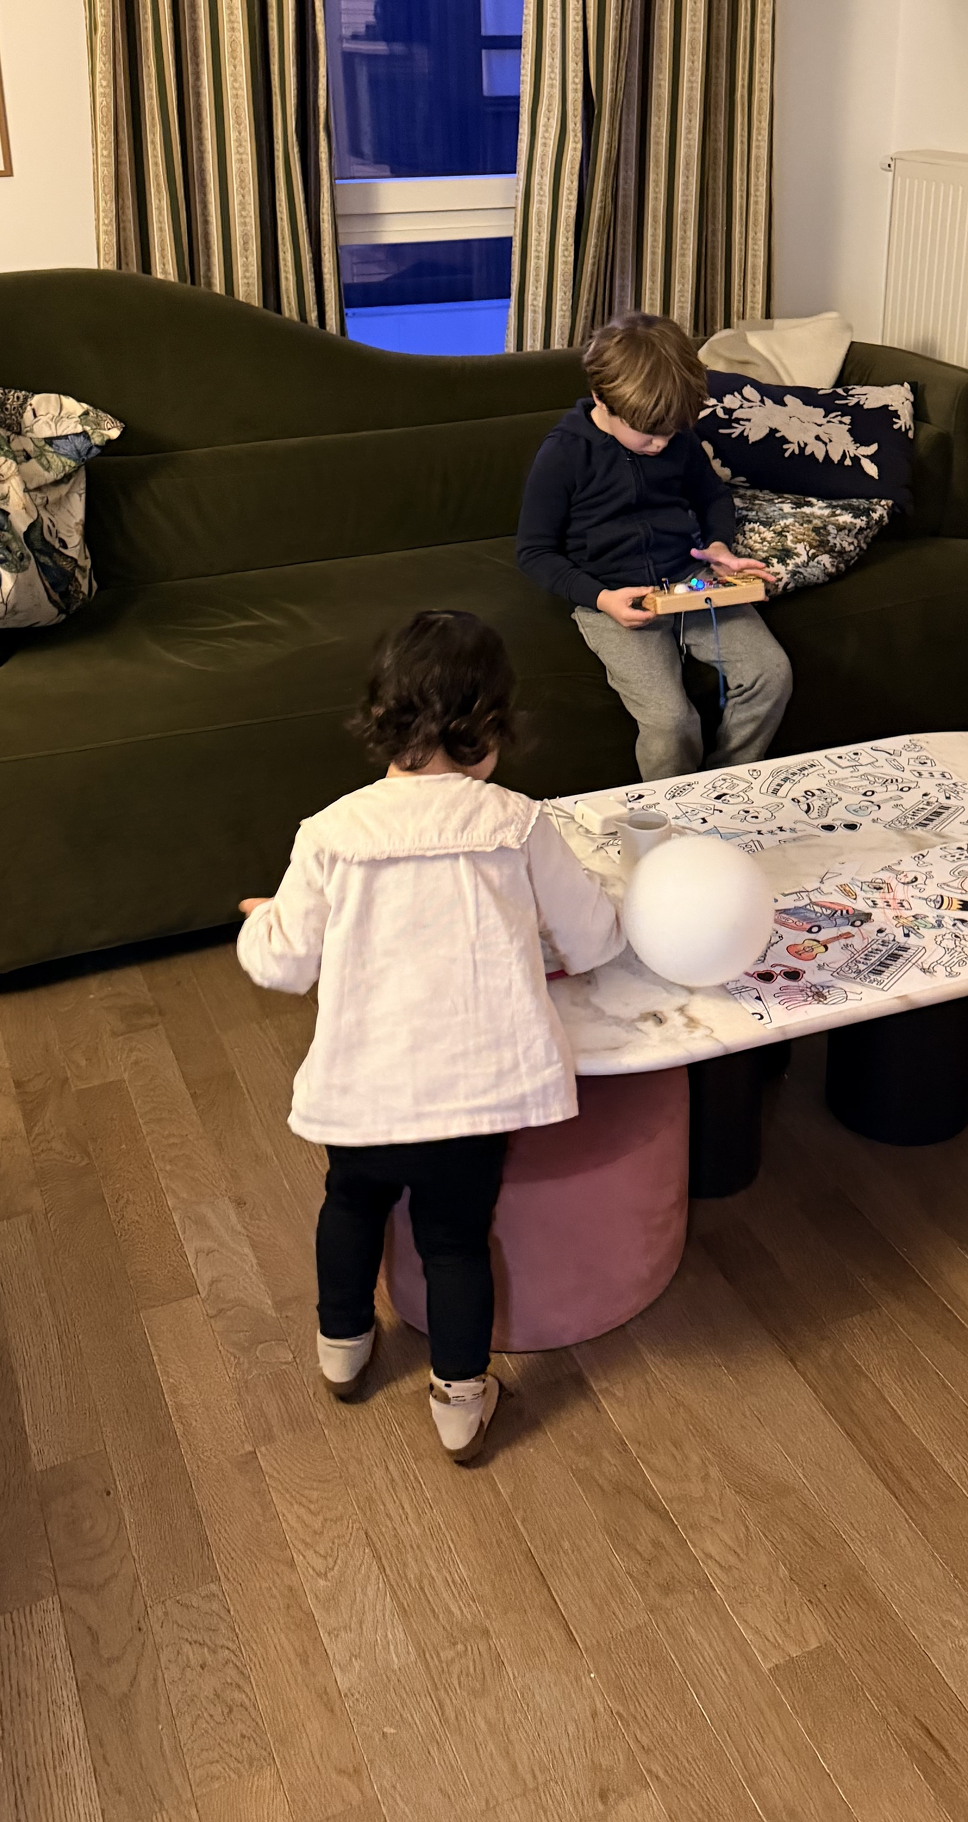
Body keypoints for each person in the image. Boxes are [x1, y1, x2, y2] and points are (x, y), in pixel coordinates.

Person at [236, 610, 621, 1463]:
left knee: (350, 1205)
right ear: (492, 730)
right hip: (474, 1098)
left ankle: (342, 1346)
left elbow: (283, 965)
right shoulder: (519, 823)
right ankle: (459, 1400)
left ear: (382, 721)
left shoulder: (330, 832)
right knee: (455, 1243)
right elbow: (594, 940)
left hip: (364, 1092)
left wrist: (258, 924)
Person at [516, 311, 792, 782]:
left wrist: (720, 548)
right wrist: (601, 599)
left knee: (772, 672)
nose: (662, 444)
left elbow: (711, 496)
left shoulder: (676, 437)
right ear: (602, 398)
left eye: (671, 433)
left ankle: (724, 785)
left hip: (691, 581)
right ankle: (669, 813)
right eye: (649, 433)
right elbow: (534, 552)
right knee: (670, 721)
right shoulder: (564, 452)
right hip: (614, 598)